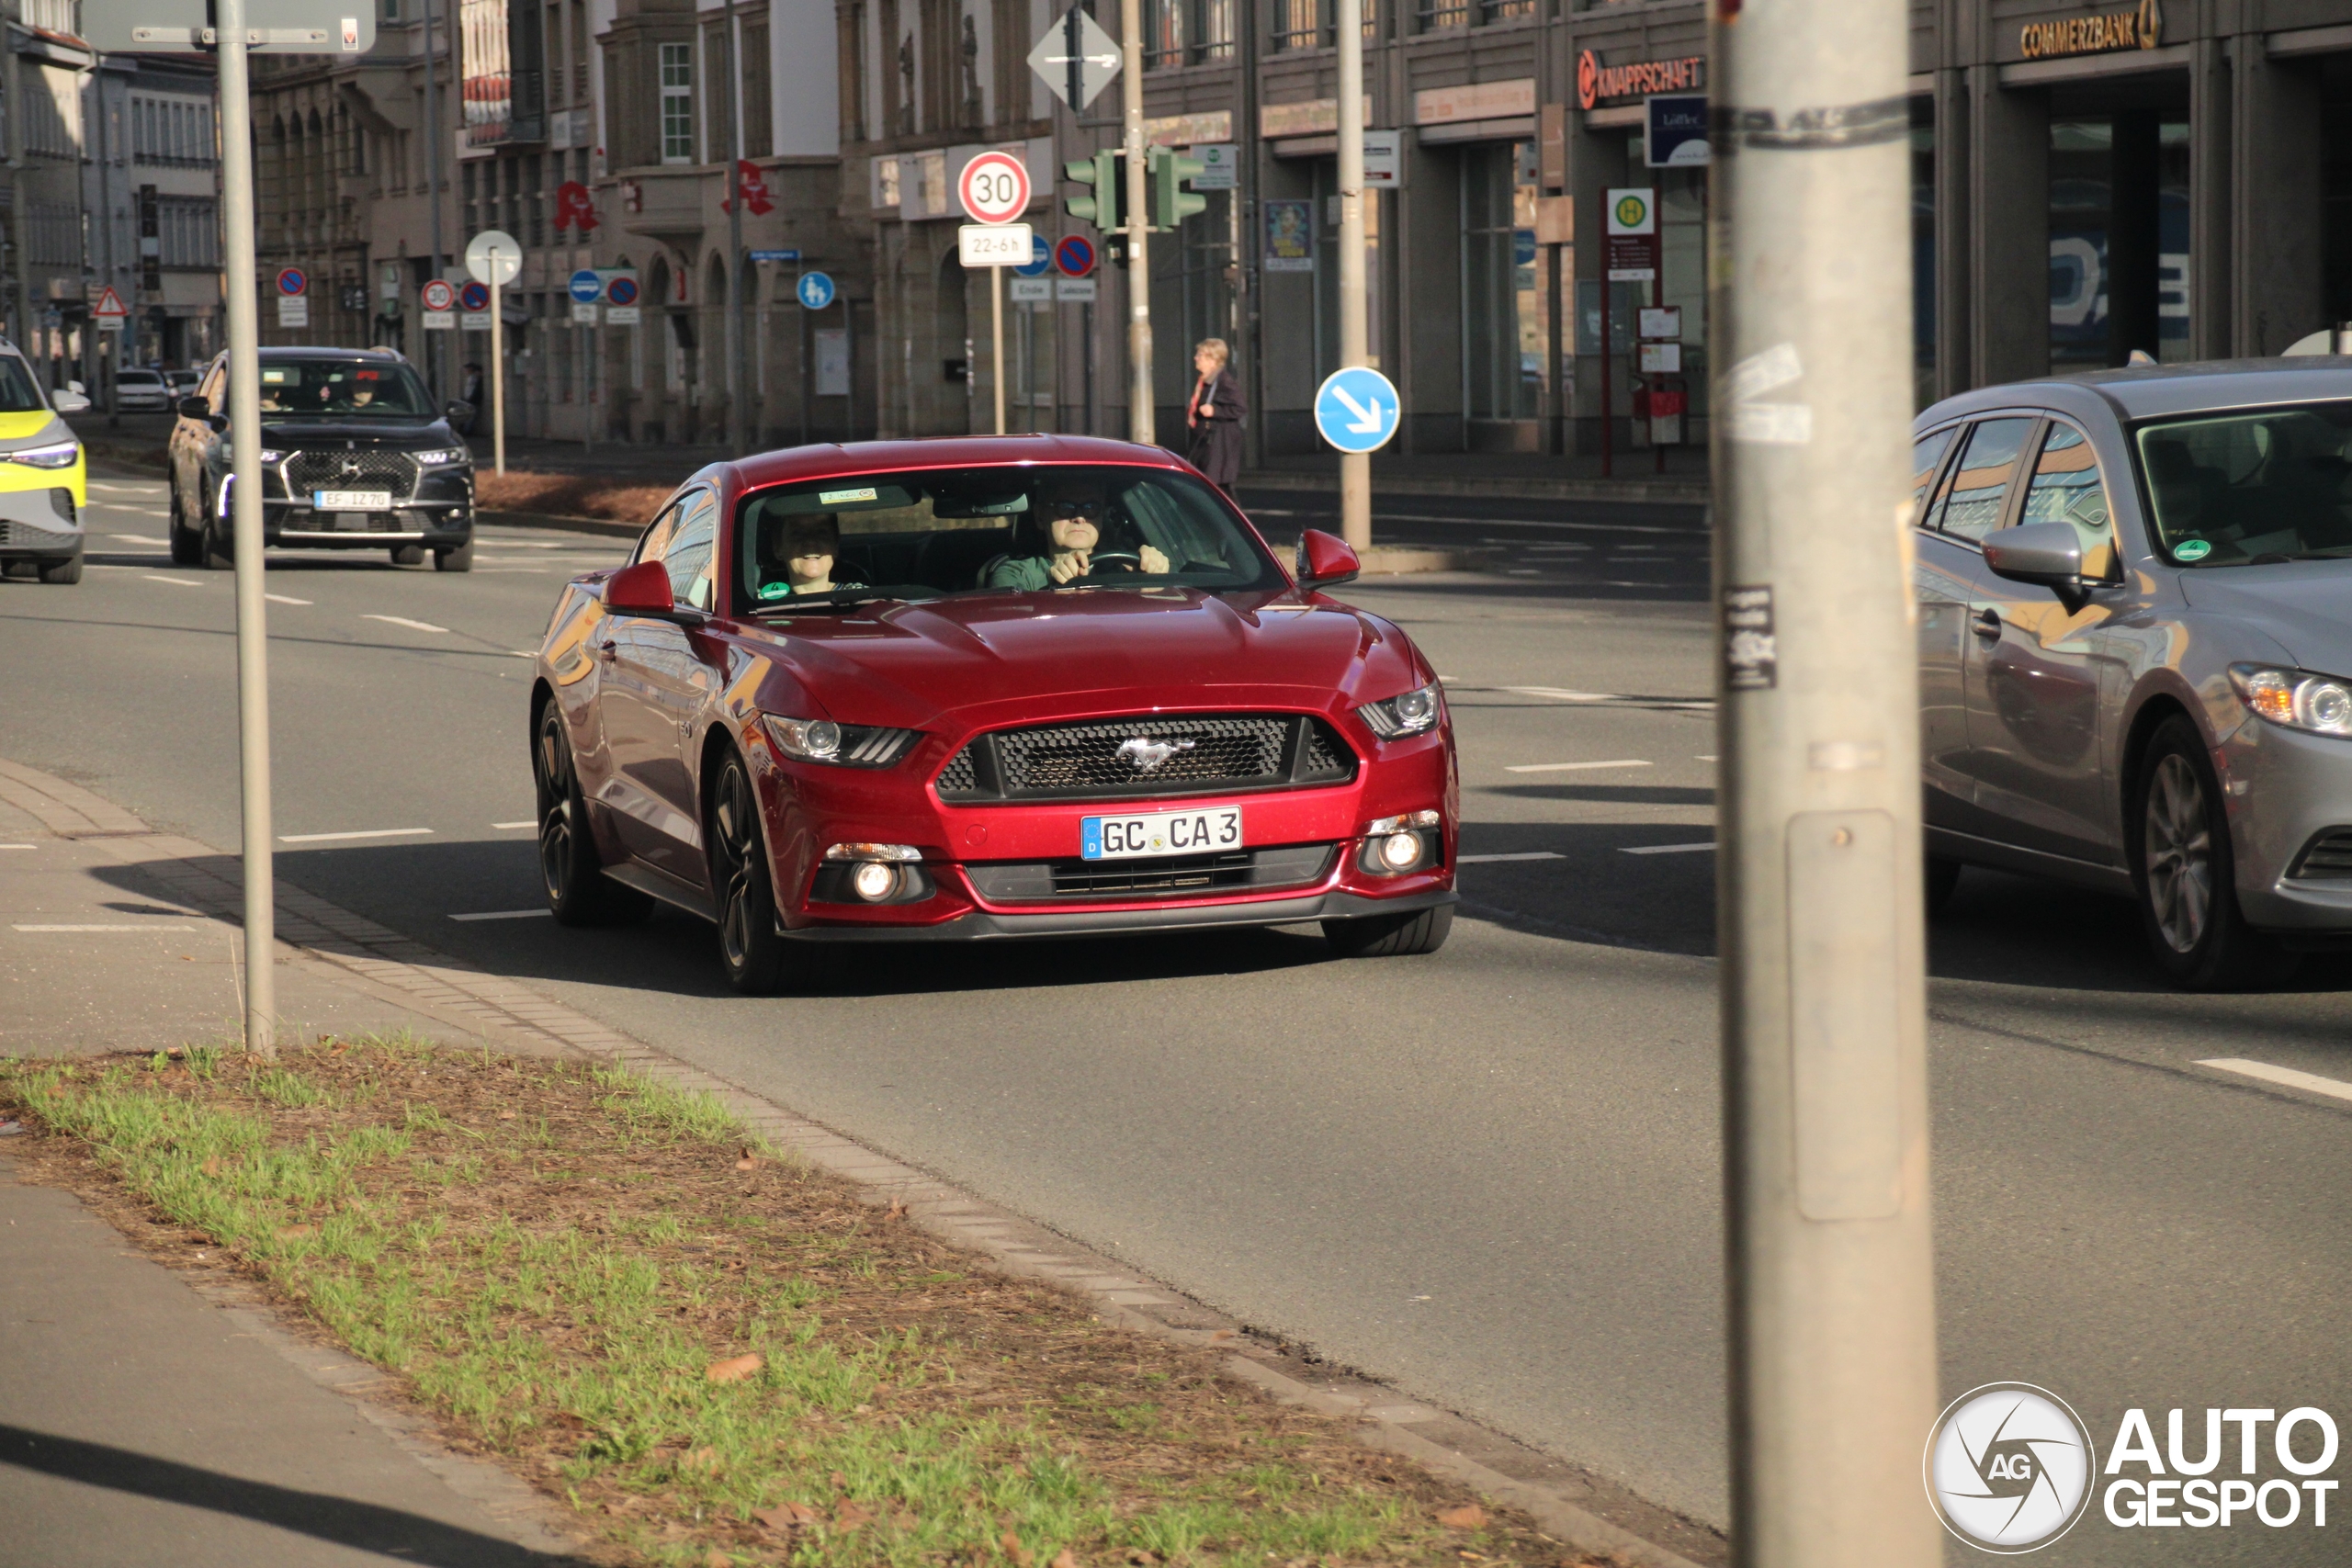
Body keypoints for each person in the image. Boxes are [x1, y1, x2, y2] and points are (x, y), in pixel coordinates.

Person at [982, 481, 1167, 590]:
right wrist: (1054, 586)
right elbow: (1010, 633)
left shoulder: (1125, 568)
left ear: (1101, 518)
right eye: (1065, 507)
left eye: (1091, 508)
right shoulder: (1017, 575)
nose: (1079, 517)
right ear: (1040, 517)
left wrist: (1156, 579)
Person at [755, 513, 864, 600]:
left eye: (821, 532)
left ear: (835, 546)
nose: (810, 541)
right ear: (778, 547)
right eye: (797, 533)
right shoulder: (761, 604)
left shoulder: (862, 598)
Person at [1185, 338, 1246, 491]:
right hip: (1205, 442)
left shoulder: (1224, 382)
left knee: (1215, 489)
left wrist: (1215, 411)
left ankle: (1231, 515)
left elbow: (1240, 407)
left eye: (1200, 355)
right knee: (1211, 488)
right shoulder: (1205, 381)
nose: (1196, 358)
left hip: (1216, 445)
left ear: (1213, 360)